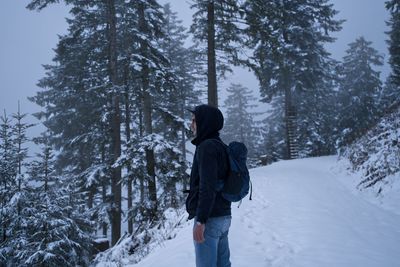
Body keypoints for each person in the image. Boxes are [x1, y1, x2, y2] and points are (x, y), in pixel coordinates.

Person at [186, 104, 232, 267]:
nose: (191, 125)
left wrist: (201, 221)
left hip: (210, 219)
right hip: (224, 216)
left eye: (194, 121)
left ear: (204, 122)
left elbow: (208, 185)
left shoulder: (206, 147)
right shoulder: (221, 146)